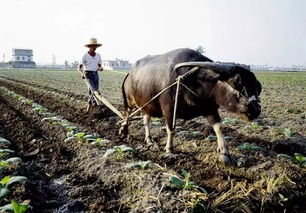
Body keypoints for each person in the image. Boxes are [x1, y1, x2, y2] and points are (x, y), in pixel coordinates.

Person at [77, 38, 104, 112]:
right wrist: (81, 74)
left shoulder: (98, 55)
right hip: (88, 74)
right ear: (89, 47)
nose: (94, 48)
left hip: (95, 74)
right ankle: (98, 105)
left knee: (94, 91)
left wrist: (100, 68)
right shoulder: (85, 56)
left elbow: (99, 65)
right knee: (94, 91)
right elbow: (79, 67)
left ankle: (88, 108)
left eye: (95, 46)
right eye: (92, 46)